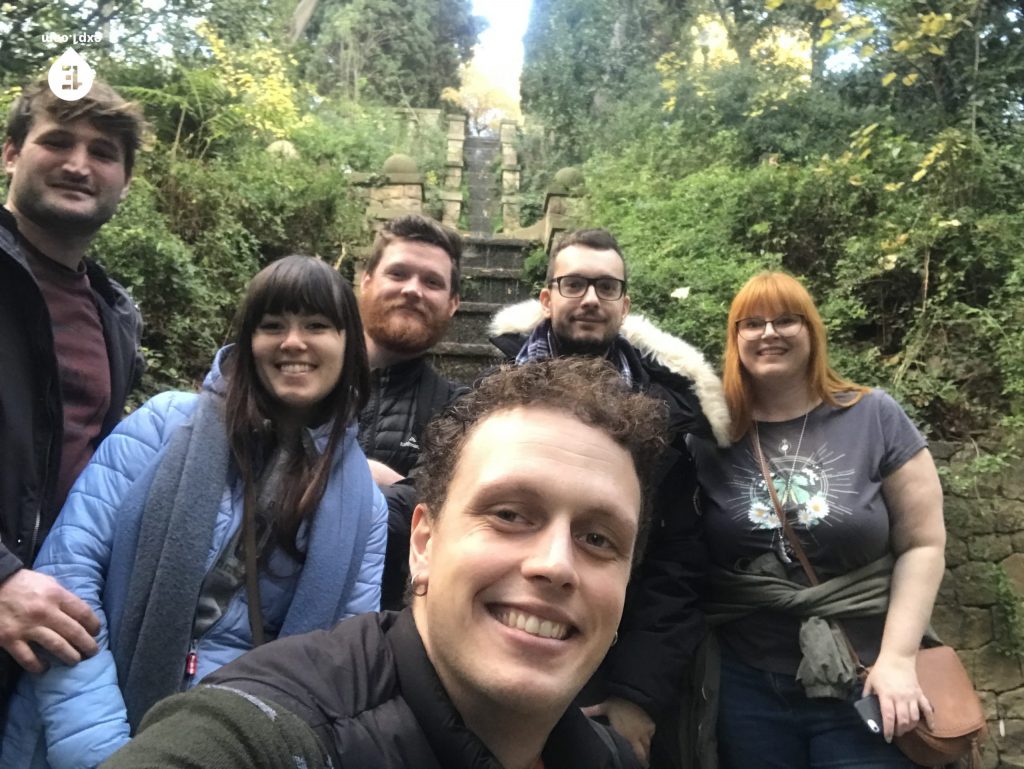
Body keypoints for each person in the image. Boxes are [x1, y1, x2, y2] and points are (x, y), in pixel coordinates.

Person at [99, 358, 668, 769]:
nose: (555, 564)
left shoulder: (608, 756)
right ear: (423, 543)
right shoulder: (277, 730)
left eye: (597, 538)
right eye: (510, 515)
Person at [1, 256, 388, 769]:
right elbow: (69, 574)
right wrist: (106, 753)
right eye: (273, 326)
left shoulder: (365, 508)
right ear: (249, 340)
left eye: (317, 326)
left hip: (226, 746)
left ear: (348, 344)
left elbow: (334, 666)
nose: (293, 342)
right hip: (75, 730)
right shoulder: (165, 426)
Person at [489, 228, 731, 767]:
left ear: (626, 304)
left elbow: (678, 565)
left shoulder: (668, 420)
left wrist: (637, 694)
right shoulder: (492, 398)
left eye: (606, 286)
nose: (591, 299)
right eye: (574, 284)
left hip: (609, 670)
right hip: (498, 648)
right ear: (547, 297)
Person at [687, 271, 946, 768]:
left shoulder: (874, 416)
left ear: (812, 331)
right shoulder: (710, 434)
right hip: (749, 685)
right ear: (734, 337)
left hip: (865, 674)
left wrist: (898, 661)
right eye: (752, 323)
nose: (768, 333)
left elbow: (923, 544)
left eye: (786, 320)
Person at [0, 77, 145, 723]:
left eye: (103, 151)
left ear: (126, 179)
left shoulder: (113, 317)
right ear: (10, 153)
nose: (80, 164)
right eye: (56, 140)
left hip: (41, 647)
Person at [356, 214, 467, 609]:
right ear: (366, 281)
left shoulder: (463, 413)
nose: (412, 290)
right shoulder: (299, 383)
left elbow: (459, 521)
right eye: (398, 273)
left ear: (453, 304)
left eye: (432, 282)